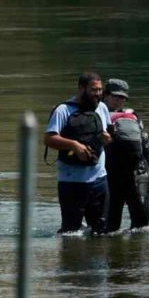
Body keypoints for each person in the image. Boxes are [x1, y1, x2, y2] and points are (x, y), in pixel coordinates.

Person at [44, 72, 112, 235]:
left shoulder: (101, 108)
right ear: (81, 89)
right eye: (93, 90)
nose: (98, 94)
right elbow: (49, 139)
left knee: (101, 231)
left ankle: (98, 260)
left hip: (99, 179)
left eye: (100, 90)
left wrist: (107, 138)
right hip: (71, 181)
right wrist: (73, 145)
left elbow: (108, 137)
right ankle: (71, 259)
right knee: (71, 233)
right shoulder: (63, 110)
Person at [103, 78, 149, 232]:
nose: (120, 100)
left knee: (142, 224)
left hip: (138, 173)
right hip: (111, 176)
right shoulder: (97, 115)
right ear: (105, 95)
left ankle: (138, 254)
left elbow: (146, 144)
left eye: (123, 98)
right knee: (110, 226)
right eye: (116, 96)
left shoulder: (132, 115)